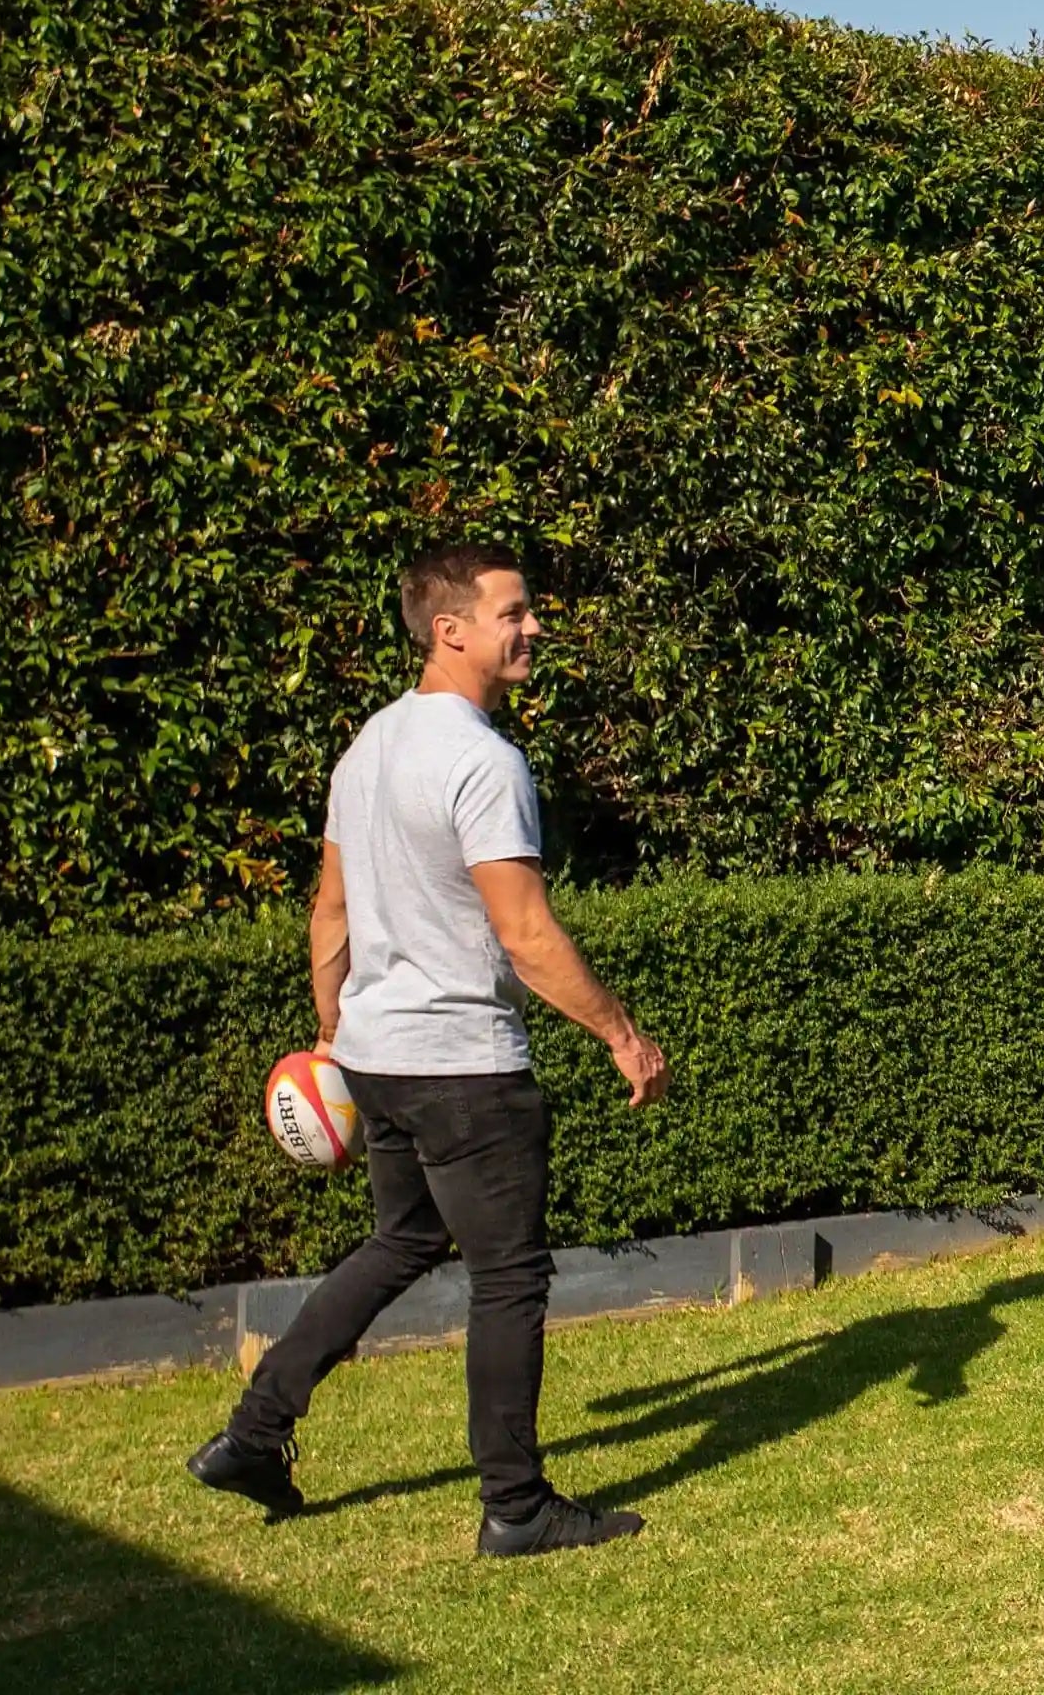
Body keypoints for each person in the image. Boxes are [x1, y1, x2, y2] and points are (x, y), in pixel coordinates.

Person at [186, 543, 671, 1557]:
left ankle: (252, 1433)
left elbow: (330, 912)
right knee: (509, 1279)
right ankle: (517, 1506)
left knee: (402, 1243)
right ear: (450, 628)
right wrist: (623, 1035)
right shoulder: (482, 762)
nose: (533, 627)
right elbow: (526, 934)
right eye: (515, 612)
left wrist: (334, 1035)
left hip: (381, 1057)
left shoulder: (366, 748)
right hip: (463, 1068)